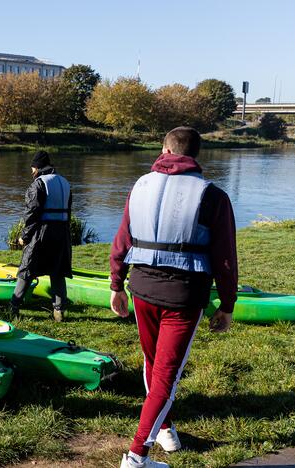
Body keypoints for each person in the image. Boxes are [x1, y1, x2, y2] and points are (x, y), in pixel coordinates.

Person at [109, 127, 237, 468]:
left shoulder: (140, 185)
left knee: (154, 364)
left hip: (143, 290)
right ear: (196, 154)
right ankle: (137, 456)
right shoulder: (213, 195)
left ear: (165, 149)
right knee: (166, 376)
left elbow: (122, 239)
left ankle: (163, 426)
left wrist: (116, 284)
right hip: (183, 297)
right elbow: (225, 258)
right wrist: (227, 304)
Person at [8, 151, 73, 322]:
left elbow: (32, 213)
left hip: (41, 233)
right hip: (62, 233)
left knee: (26, 269)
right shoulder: (65, 182)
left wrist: (24, 236)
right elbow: (69, 211)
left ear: (37, 167)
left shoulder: (38, 184)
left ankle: (14, 306)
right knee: (57, 271)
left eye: (32, 168)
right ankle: (59, 311)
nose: (31, 172)